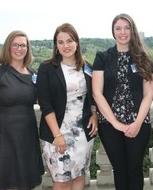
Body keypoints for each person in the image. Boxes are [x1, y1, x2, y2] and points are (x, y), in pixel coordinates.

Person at [92, 13, 153, 190]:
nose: (123, 32)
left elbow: (148, 94)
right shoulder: (103, 57)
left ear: (132, 30)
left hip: (139, 122)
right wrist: (115, 123)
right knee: (119, 170)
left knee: (135, 169)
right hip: (109, 124)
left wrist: (137, 123)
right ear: (113, 31)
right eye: (118, 28)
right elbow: (97, 93)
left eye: (127, 27)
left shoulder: (143, 57)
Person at [0, 30, 44, 189]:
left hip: (26, 137)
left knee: (25, 182)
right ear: (8, 47)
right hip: (3, 136)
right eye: (15, 45)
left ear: (28, 49)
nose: (19, 48)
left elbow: (45, 100)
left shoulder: (33, 74)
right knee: (3, 182)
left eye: (23, 45)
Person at [37, 23, 98, 190]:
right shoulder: (46, 68)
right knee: (61, 180)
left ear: (76, 42)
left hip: (82, 132)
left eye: (69, 41)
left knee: (79, 177)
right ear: (56, 46)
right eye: (60, 42)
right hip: (56, 131)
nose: (66, 46)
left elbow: (94, 96)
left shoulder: (87, 67)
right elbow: (45, 104)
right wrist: (58, 135)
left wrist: (94, 114)